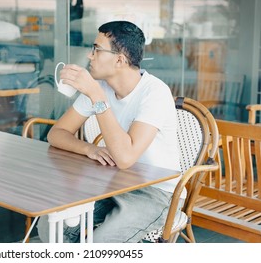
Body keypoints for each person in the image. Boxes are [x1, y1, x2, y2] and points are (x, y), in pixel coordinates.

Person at [37, 20, 184, 243]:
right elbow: (57, 133)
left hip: (156, 192)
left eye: (96, 49)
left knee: (102, 243)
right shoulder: (103, 87)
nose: (90, 56)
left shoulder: (154, 93)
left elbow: (125, 157)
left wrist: (96, 96)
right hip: (113, 182)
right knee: (51, 223)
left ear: (119, 60)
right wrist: (89, 149)